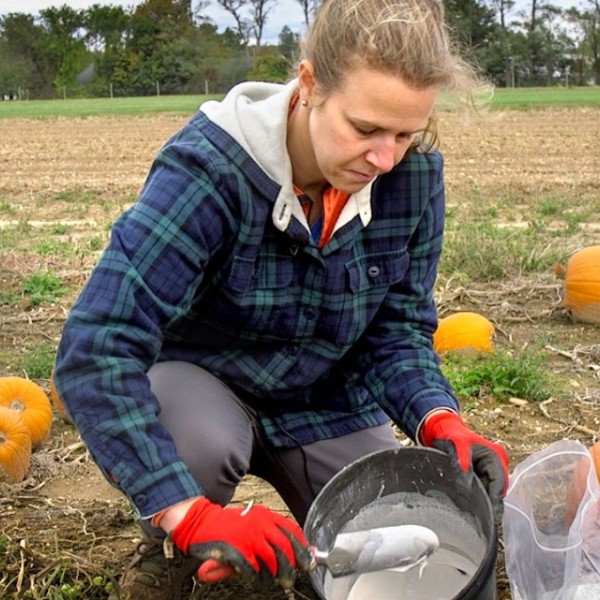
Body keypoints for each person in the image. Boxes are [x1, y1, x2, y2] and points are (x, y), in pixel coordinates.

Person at [54, 0, 509, 597]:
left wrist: (438, 416)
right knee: (199, 448)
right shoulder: (209, 173)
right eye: (366, 128)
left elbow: (395, 330)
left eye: (406, 133)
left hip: (323, 396)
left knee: (394, 520)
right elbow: (97, 345)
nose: (384, 158)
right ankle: (171, 541)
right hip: (202, 381)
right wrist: (187, 513)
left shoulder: (414, 178)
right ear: (310, 83)